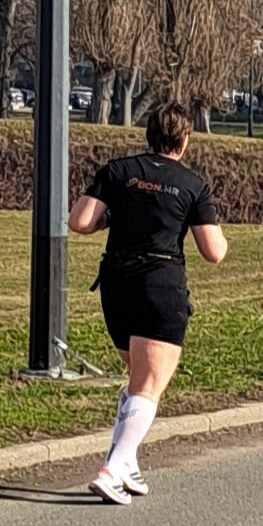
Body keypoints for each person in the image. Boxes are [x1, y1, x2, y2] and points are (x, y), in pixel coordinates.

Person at [67, 102, 228, 504]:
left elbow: (80, 221)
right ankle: (111, 469)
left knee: (139, 378)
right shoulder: (191, 184)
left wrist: (114, 217)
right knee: (150, 385)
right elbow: (214, 252)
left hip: (116, 286)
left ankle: (128, 464)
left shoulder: (118, 171)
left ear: (149, 135)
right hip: (160, 286)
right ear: (184, 140)